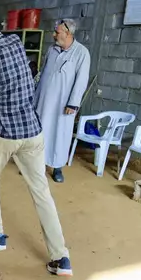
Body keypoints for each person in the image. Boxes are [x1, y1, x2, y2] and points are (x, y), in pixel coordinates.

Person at [0, 9, 72, 277]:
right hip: (32, 131)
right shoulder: (15, 41)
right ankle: (61, 257)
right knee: (41, 192)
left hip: (4, 134)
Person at [35, 19, 91, 183]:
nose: (54, 35)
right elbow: (43, 72)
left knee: (60, 134)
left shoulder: (81, 53)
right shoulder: (52, 49)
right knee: (39, 133)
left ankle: (57, 167)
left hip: (63, 104)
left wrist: (73, 103)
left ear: (68, 33)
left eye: (57, 32)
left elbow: (82, 80)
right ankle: (36, 166)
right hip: (43, 100)